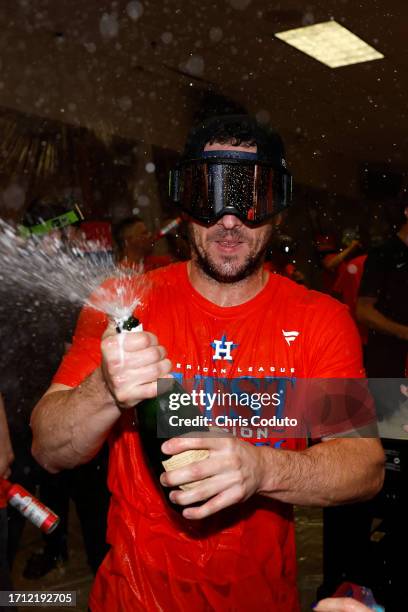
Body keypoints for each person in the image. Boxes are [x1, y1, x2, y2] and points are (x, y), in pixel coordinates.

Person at [31, 115, 384, 611]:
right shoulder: (122, 301)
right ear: (185, 202)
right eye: (210, 192)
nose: (230, 218)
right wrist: (104, 388)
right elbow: (48, 448)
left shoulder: (319, 319)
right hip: (130, 596)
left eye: (250, 194)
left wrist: (262, 467)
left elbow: (364, 467)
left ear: (278, 208)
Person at [0, 199, 110, 579]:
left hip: (76, 416)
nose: (77, 239)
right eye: (68, 231)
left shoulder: (76, 285)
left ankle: (102, 575)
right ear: (47, 237)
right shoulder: (12, 287)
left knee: (96, 510)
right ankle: (52, 554)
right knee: (16, 519)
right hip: (19, 428)